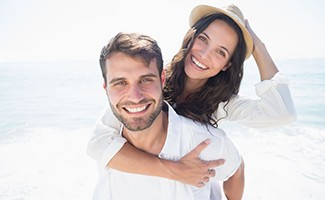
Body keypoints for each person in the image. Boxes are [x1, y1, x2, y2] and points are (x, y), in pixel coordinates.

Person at [88, 2, 296, 198]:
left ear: (227, 65)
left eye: (220, 52)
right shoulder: (149, 84)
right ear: (191, 37)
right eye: (203, 39)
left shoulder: (223, 104)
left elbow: (281, 113)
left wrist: (258, 46)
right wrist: (174, 171)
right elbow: (98, 144)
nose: (204, 55)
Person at [93, 32, 244, 200]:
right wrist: (175, 170)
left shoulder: (201, 141)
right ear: (106, 88)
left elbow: (236, 169)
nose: (135, 97)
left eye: (146, 80)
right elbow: (95, 146)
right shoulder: (108, 138)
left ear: (162, 79)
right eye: (120, 83)